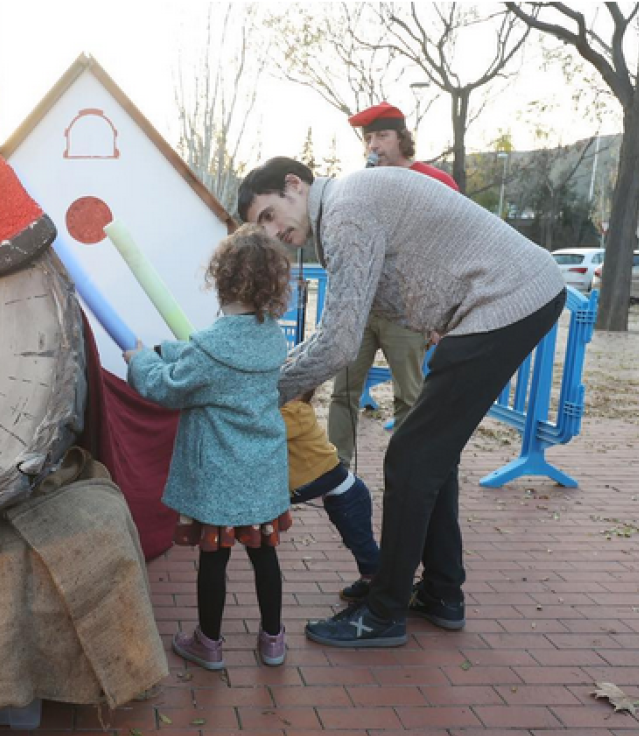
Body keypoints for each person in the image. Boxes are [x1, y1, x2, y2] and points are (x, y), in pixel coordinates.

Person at [238, 157, 566, 648]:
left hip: (507, 299)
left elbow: (339, 344)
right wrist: (275, 378)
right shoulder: (348, 207)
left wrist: (264, 392)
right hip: (508, 298)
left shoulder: (346, 212)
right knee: (429, 455)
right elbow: (334, 334)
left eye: (268, 215)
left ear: (294, 186)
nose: (270, 233)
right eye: (258, 227)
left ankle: (383, 613)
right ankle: (441, 594)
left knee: (410, 457)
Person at [124, 224, 293, 670]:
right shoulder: (272, 336)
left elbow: (168, 388)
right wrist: (172, 347)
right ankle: (273, 639)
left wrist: (141, 358)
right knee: (264, 555)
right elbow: (210, 358)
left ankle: (209, 644)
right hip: (261, 470)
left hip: (218, 472)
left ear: (220, 279)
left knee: (214, 561)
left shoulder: (212, 346)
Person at [328, 102, 459, 468]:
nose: (374, 145)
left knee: (410, 397)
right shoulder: (361, 184)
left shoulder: (436, 181)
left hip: (409, 312)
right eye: (368, 138)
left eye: (382, 136)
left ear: (402, 138)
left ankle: (406, 469)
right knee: (344, 391)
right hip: (362, 308)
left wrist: (442, 317)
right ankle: (336, 469)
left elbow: (453, 251)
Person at [283, 389, 379, 601]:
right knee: (356, 541)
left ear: (298, 394)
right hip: (339, 496)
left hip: (349, 496)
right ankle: (369, 579)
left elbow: (262, 429)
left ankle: (381, 586)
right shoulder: (292, 408)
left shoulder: (294, 412)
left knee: (361, 543)